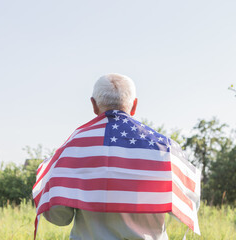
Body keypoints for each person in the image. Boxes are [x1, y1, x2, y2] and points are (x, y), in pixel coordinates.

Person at [42, 73, 169, 240]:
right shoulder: (164, 147)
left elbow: (59, 217)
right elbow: (186, 206)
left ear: (93, 105)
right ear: (134, 105)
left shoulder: (72, 148)